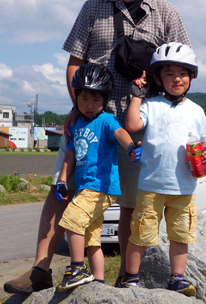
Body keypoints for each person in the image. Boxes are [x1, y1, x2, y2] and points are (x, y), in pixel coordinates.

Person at [4, 0, 191, 294]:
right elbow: (75, 64)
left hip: (140, 127)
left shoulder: (167, 13)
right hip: (90, 121)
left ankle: (126, 277)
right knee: (62, 191)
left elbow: (181, 66)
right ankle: (41, 268)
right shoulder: (92, 8)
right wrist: (79, 107)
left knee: (132, 204)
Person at [120, 42, 206, 297]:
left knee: (181, 235)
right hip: (151, 186)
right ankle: (130, 278)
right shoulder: (151, 105)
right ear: (158, 79)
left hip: (184, 187)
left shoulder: (196, 111)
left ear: (191, 77)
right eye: (169, 74)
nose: (176, 79)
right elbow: (132, 125)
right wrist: (136, 95)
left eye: (183, 73)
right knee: (140, 234)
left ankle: (177, 277)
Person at [54, 64, 141, 290]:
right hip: (85, 188)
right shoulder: (76, 125)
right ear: (75, 98)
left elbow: (120, 133)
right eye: (84, 99)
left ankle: (77, 268)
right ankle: (99, 283)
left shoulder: (106, 120)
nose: (89, 105)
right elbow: (70, 156)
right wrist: (62, 181)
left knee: (72, 219)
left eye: (95, 99)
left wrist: (130, 146)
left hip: (101, 187)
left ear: (105, 99)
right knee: (92, 239)